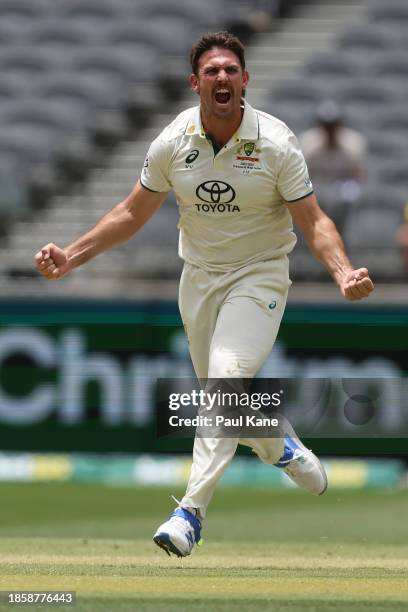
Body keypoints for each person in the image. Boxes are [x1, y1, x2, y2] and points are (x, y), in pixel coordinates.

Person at [35, 31, 374, 558]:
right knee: (225, 402)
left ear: (245, 80)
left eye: (230, 70)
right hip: (197, 279)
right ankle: (277, 442)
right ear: (195, 83)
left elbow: (314, 221)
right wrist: (71, 256)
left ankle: (189, 513)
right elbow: (130, 213)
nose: (221, 78)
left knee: (222, 381)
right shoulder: (173, 141)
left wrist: (343, 271)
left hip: (259, 275)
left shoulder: (277, 143)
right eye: (211, 71)